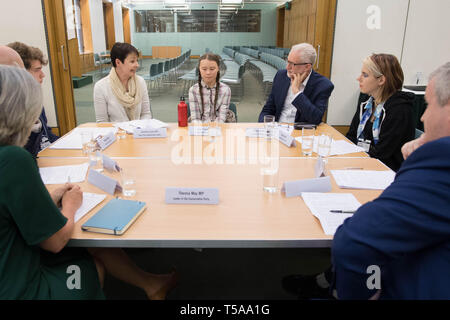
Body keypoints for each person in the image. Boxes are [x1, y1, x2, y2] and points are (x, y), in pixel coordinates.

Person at [0, 65, 177, 299]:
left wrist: (49, 199)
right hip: (20, 287)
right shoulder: (13, 159)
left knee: (89, 241)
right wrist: (71, 205)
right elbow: (54, 242)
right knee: (91, 263)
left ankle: (151, 284)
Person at [332, 62, 450, 299]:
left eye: (428, 106)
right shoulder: (367, 104)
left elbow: (353, 244)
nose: (424, 117)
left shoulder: (440, 158)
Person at [346, 53, 415, 171]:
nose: (359, 78)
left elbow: (383, 154)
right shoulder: (367, 104)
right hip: (364, 164)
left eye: (365, 75)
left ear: (381, 80)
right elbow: (351, 137)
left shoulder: (399, 110)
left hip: (387, 172)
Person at [258, 43, 334, 125]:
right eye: (287, 61)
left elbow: (315, 119)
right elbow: (268, 109)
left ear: (307, 67)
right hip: (277, 129)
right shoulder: (281, 76)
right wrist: (265, 125)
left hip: (300, 133)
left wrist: (296, 92)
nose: (287, 67)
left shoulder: (323, 85)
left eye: (292, 64)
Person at [7, 42, 59, 158]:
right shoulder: (9, 109)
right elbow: (22, 153)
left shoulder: (34, 100)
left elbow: (47, 135)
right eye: (37, 70)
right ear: (21, 73)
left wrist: (68, 143)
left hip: (47, 157)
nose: (43, 75)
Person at [94, 42, 152, 122]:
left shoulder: (140, 82)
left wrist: (138, 129)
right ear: (118, 62)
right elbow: (102, 123)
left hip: (138, 132)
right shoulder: (101, 87)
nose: (137, 65)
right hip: (116, 133)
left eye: (137, 61)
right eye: (132, 61)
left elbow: (146, 114)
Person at [188, 53, 231, 123]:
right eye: (204, 69)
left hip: (219, 128)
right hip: (199, 129)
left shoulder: (226, 90)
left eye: (212, 69)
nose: (208, 72)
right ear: (199, 69)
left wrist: (213, 131)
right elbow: (195, 118)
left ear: (218, 69)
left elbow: (221, 118)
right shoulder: (193, 90)